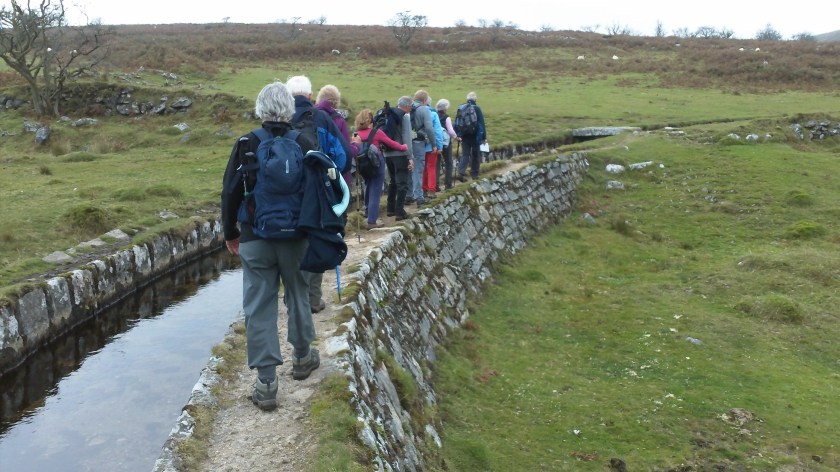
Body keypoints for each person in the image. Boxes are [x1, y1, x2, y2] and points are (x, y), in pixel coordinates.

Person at [220, 81, 321, 411]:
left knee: (259, 305)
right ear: (289, 109)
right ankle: (304, 358)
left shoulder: (247, 143)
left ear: (260, 108)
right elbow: (319, 191)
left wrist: (230, 233)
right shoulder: (304, 142)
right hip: (297, 238)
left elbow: (230, 191)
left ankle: (266, 383)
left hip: (255, 237)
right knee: (298, 294)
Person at [287, 75, 352, 314]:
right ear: (310, 96)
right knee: (314, 240)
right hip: (316, 193)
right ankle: (313, 299)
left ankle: (292, 297)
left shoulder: (279, 119)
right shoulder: (322, 118)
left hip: (285, 195)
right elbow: (343, 156)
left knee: (289, 243)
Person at [350, 108, 408, 229]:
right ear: (370, 121)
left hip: (362, 164)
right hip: (376, 163)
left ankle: (367, 213)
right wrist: (403, 147)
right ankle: (372, 221)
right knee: (376, 191)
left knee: (367, 186)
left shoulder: (356, 134)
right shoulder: (376, 133)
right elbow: (391, 143)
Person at [314, 84, 359, 191]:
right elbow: (345, 152)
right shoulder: (339, 121)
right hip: (338, 177)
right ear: (336, 101)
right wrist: (356, 145)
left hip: (316, 177)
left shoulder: (310, 117)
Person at [384, 96, 415, 220]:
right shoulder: (405, 117)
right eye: (411, 106)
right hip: (400, 153)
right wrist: (410, 156)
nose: (411, 108)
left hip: (387, 153)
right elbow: (406, 137)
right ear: (407, 106)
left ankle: (390, 209)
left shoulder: (388, 115)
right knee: (402, 183)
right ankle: (400, 211)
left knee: (392, 181)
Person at [410, 90, 437, 206]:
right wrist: (434, 144)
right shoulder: (424, 109)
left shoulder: (407, 107)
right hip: (418, 142)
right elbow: (429, 129)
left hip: (405, 143)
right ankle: (419, 197)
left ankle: (408, 195)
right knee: (418, 169)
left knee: (408, 169)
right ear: (425, 100)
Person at [455, 91, 488, 182]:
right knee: (475, 155)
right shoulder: (477, 108)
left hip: (464, 135)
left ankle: (460, 172)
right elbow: (481, 123)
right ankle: (475, 175)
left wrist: (458, 134)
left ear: (467, 98)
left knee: (465, 154)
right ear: (475, 99)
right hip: (475, 135)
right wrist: (484, 137)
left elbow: (457, 122)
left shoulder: (461, 107)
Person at [423, 94, 444, 201]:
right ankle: (431, 189)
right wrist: (439, 146)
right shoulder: (433, 114)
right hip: (431, 146)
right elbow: (438, 131)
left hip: (419, 145)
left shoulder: (416, 112)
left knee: (422, 168)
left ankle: (423, 188)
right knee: (431, 167)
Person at [435, 98, 459, 190]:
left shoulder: (435, 115)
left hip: (437, 142)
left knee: (437, 164)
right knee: (448, 163)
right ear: (445, 107)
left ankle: (436, 185)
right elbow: (451, 130)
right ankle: (448, 184)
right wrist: (456, 137)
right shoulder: (446, 117)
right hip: (446, 143)